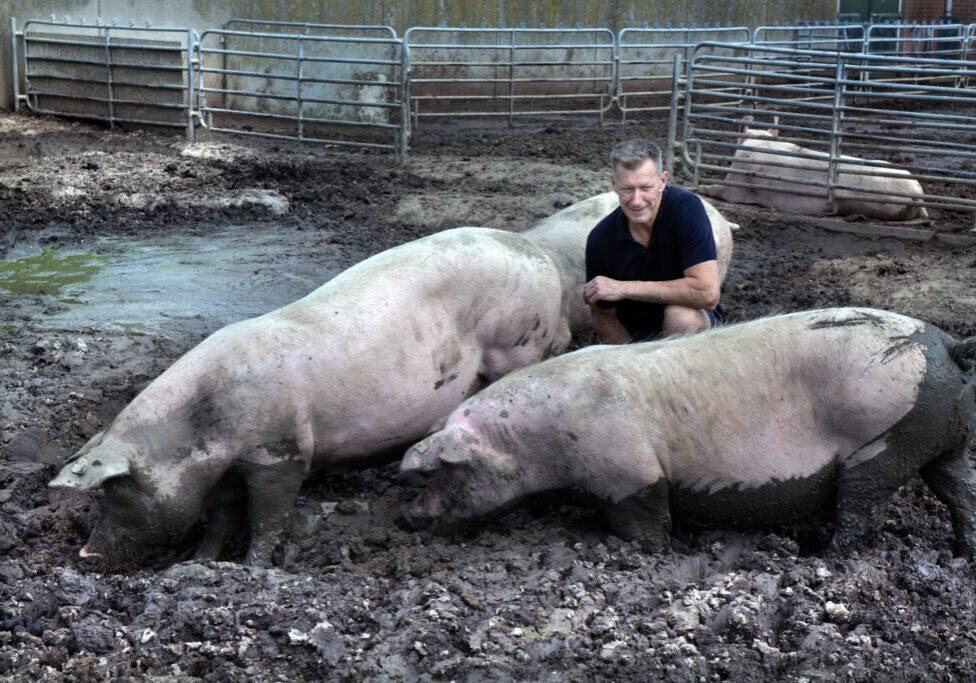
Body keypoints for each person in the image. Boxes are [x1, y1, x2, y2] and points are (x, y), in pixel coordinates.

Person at [583, 139, 722, 343]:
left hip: (691, 325)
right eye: (627, 189)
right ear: (614, 184)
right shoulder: (600, 239)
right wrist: (635, 363)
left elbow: (707, 294)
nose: (636, 201)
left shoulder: (686, 209)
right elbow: (603, 318)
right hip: (635, 335)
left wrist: (623, 288)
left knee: (680, 318)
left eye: (646, 187)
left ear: (662, 181)